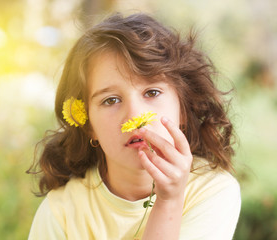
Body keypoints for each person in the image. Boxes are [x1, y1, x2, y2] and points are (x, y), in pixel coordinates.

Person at [27, 12, 241, 240]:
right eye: (110, 100)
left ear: (184, 110)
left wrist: (169, 200)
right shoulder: (61, 212)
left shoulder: (212, 192)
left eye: (152, 92)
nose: (135, 116)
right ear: (88, 125)